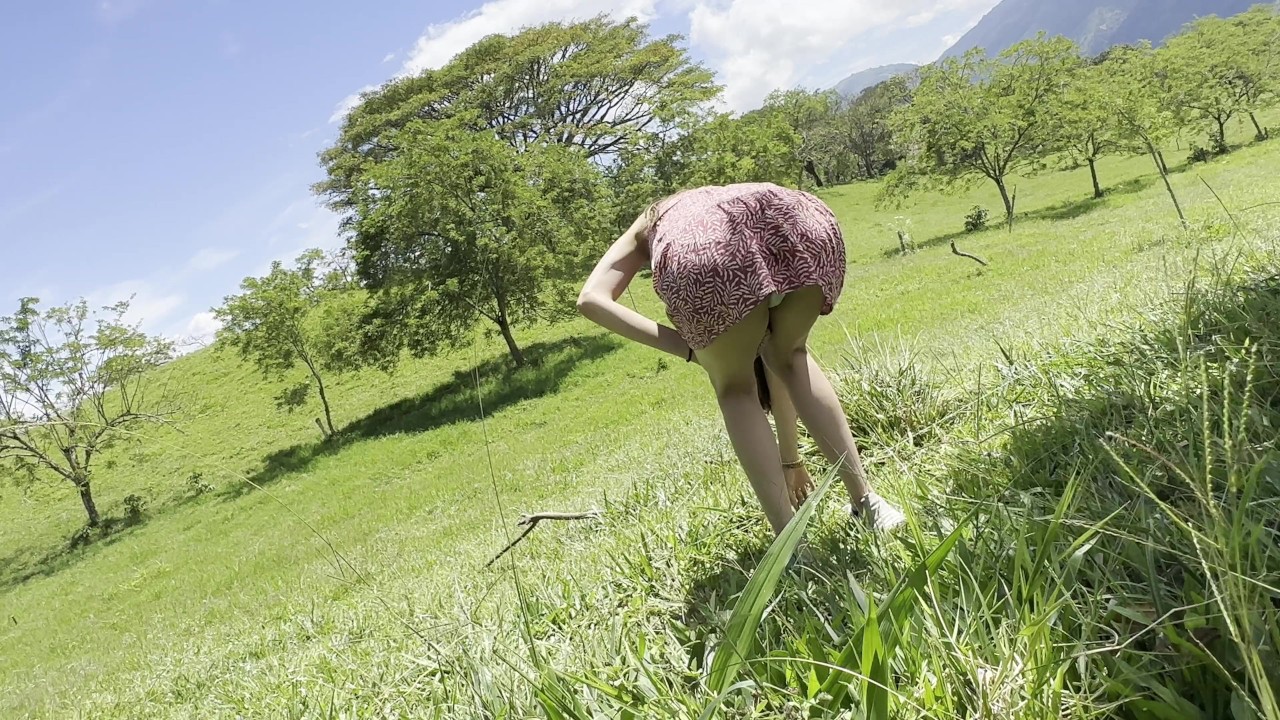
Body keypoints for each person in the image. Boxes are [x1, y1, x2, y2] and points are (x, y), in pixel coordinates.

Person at [577, 182, 905, 535]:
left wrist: (687, 348)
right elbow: (777, 370)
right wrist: (790, 460)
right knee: (791, 356)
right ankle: (869, 504)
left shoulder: (649, 220)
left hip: (702, 252)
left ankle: (791, 546)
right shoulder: (712, 197)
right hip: (799, 221)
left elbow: (591, 299)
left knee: (736, 389)